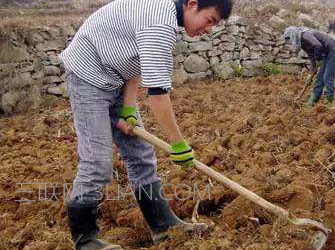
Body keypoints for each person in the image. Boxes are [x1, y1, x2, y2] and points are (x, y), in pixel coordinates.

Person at [59, 0, 232, 249]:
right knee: (97, 163)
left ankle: (163, 226)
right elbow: (158, 94)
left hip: (116, 77)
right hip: (89, 77)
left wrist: (128, 105)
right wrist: (178, 143)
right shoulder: (160, 22)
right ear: (192, 4)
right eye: (210, 20)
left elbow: (136, 58)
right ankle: (85, 240)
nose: (209, 29)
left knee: (141, 154)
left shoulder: (164, 16)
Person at [283, 26, 335, 106]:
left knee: (327, 77)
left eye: (289, 39)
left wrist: (318, 59)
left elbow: (317, 45)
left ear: (292, 35)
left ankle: (329, 102)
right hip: (326, 53)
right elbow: (312, 57)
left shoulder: (304, 35)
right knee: (319, 79)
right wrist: (310, 74)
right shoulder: (302, 43)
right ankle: (312, 102)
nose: (290, 42)